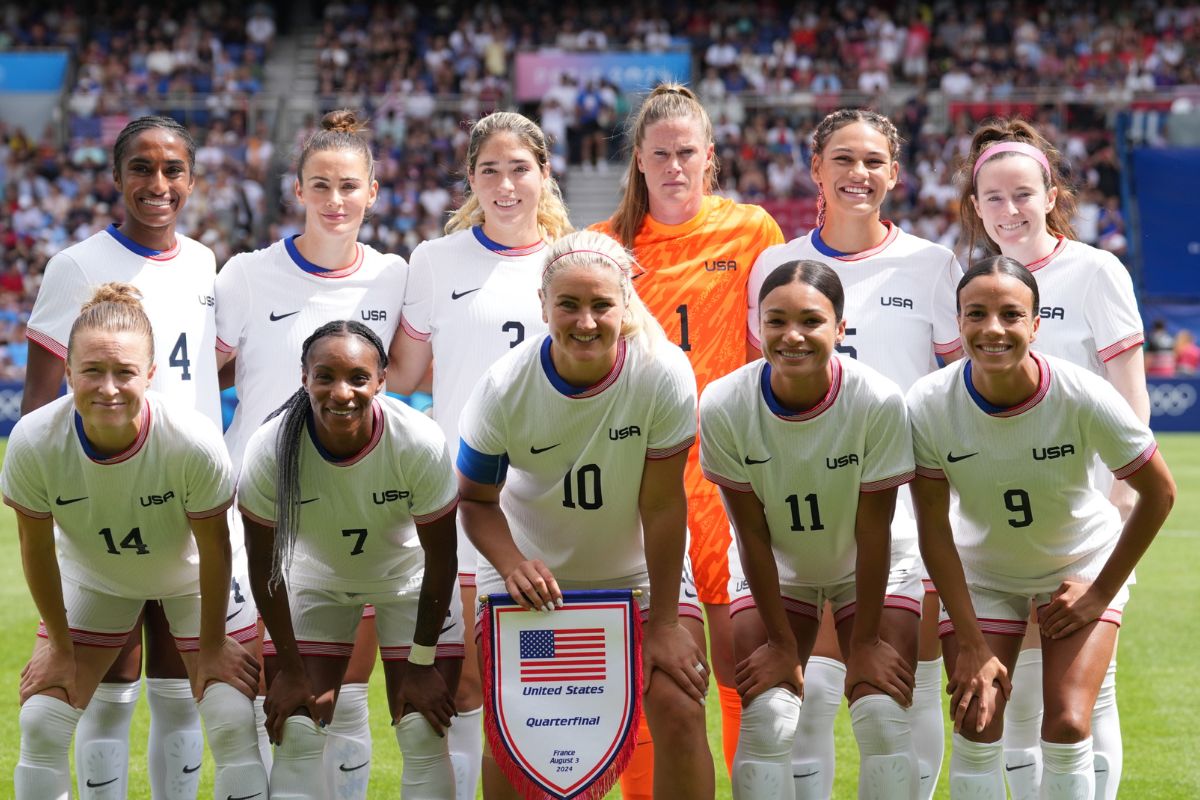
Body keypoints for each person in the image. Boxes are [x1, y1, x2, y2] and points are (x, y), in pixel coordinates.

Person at [748, 108, 962, 800]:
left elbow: (955, 385)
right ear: (816, 169)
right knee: (805, 695)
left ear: (894, 174)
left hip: (902, 506)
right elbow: (769, 388)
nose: (857, 174)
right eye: (842, 159)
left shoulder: (933, 264)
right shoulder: (776, 264)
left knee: (904, 685)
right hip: (799, 504)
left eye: (873, 161)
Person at [456, 231, 714, 799]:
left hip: (637, 575)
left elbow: (664, 503)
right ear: (543, 306)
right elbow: (474, 500)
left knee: (678, 701)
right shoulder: (503, 387)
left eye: (601, 304)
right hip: (530, 576)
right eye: (568, 305)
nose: (586, 321)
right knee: (512, 728)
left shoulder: (661, 372)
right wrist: (511, 562)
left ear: (626, 304)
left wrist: (667, 624)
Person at [908, 256, 1175, 800]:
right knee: (976, 719)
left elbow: (1160, 492)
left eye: (1011, 314)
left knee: (1070, 722)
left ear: (1035, 324)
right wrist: (971, 640)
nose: (993, 329)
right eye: (976, 313)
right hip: (983, 573)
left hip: (1078, 564)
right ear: (958, 322)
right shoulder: (929, 404)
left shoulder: (1080, 393)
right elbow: (933, 526)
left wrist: (1100, 591)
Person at [22, 115, 228, 800]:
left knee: (180, 689)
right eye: (141, 168)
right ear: (115, 177)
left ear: (192, 180)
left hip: (186, 504)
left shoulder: (204, 262)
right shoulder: (75, 266)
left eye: (173, 170)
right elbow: (41, 404)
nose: (158, 184)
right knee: (107, 689)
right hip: (105, 505)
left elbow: (201, 369)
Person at [2, 284, 267, 799]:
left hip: (194, 578)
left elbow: (215, 549)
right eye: (92, 371)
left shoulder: (191, 441)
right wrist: (58, 646)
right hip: (97, 578)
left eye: (124, 372)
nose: (108, 388)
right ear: (68, 372)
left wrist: (212, 647)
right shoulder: (33, 442)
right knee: (41, 720)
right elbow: (35, 551)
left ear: (149, 375)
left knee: (233, 714)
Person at [592, 83, 785, 788]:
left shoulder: (753, 230)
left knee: (740, 662)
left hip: (731, 476)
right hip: (642, 479)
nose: (675, 166)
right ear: (638, 160)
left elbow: (771, 351)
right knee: (655, 669)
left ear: (710, 158)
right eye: (661, 154)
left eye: (688, 153)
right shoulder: (607, 247)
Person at [215, 108, 406, 797]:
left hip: (351, 517)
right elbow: (195, 378)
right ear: (297, 190)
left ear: (374, 192)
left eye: (349, 186)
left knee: (344, 700)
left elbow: (410, 380)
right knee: (256, 698)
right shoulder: (244, 275)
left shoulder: (394, 277)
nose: (335, 201)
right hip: (256, 514)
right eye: (320, 185)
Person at [958, 119, 1151, 800]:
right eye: (994, 198)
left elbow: (1132, 406)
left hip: (1084, 520)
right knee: (1019, 696)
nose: (1010, 211)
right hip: (1002, 525)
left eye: (1022, 195)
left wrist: (1115, 512)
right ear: (974, 205)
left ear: (1051, 194)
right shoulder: (973, 280)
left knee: (1085, 699)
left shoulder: (1095, 271)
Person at [389, 110, 572, 800]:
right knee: (462, 682)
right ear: (471, 178)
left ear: (544, 173)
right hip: (464, 500)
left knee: (541, 682)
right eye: (489, 170)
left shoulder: (577, 256)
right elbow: (403, 374)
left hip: (552, 503)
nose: (504, 184)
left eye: (519, 167)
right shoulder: (435, 261)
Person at [702, 260, 920, 799]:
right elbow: (749, 532)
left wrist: (865, 641)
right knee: (768, 720)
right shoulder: (724, 403)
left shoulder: (877, 400)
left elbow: (875, 531)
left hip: (873, 563)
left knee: (880, 715)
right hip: (779, 567)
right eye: (776, 321)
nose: (792, 336)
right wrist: (779, 642)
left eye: (811, 321)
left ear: (840, 328)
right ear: (758, 325)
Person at [239, 320, 462, 799]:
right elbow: (265, 568)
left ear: (380, 380)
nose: (341, 392)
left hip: (411, 583)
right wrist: (293, 670)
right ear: (304, 378)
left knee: (424, 730)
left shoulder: (418, 441)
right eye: (325, 376)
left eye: (358, 378)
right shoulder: (270, 449)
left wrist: (422, 664)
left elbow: (442, 559)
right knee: (296, 728)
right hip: (316, 582)